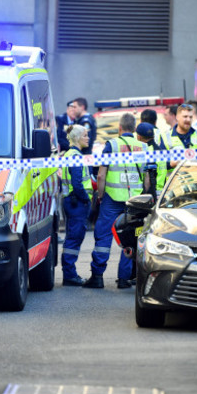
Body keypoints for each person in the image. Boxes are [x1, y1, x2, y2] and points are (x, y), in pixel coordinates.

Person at [84, 113, 149, 289]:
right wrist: (144, 195)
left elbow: (101, 174)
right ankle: (124, 279)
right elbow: (147, 177)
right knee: (130, 237)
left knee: (103, 235)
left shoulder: (111, 145)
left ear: (120, 128)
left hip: (111, 199)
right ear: (135, 129)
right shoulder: (143, 147)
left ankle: (97, 276)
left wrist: (100, 194)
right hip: (134, 201)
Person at [60, 124, 93, 286]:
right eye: (85, 135)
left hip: (72, 201)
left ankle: (69, 273)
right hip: (77, 202)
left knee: (72, 237)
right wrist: (86, 198)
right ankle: (70, 275)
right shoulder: (76, 156)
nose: (88, 138)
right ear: (78, 138)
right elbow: (77, 183)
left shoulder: (70, 153)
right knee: (74, 238)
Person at [159, 103, 197, 170]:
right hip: (176, 179)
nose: (188, 120)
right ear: (177, 117)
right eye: (185, 117)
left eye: (190, 117)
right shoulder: (166, 137)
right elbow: (160, 163)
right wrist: (170, 164)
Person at [135, 122, 166, 198]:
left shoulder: (139, 151)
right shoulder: (159, 151)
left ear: (139, 137)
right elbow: (162, 173)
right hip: (157, 193)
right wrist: (159, 192)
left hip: (140, 193)